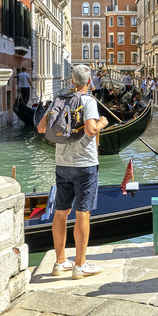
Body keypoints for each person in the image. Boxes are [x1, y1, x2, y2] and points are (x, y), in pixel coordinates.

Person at [37, 63, 108, 279]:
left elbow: (41, 128)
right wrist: (102, 123)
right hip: (85, 165)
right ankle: (80, 265)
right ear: (89, 82)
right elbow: (90, 129)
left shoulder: (59, 100)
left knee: (61, 211)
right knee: (82, 212)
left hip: (62, 164)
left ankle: (60, 263)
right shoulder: (88, 101)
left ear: (71, 81)